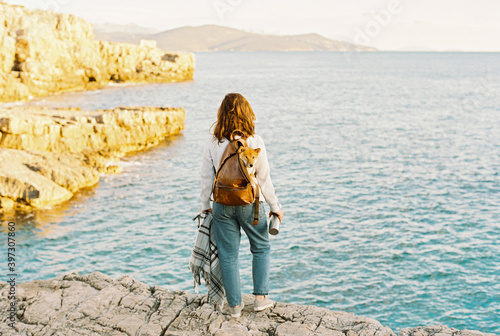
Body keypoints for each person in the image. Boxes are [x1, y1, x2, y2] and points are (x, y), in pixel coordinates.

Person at [200, 93, 284, 318]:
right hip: (250, 204)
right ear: (247, 114)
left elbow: (206, 178)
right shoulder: (255, 141)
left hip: (221, 204)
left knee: (228, 255)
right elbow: (264, 178)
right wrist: (275, 206)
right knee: (261, 247)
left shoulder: (213, 142)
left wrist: (204, 206)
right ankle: (260, 299)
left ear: (221, 114)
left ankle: (235, 307)